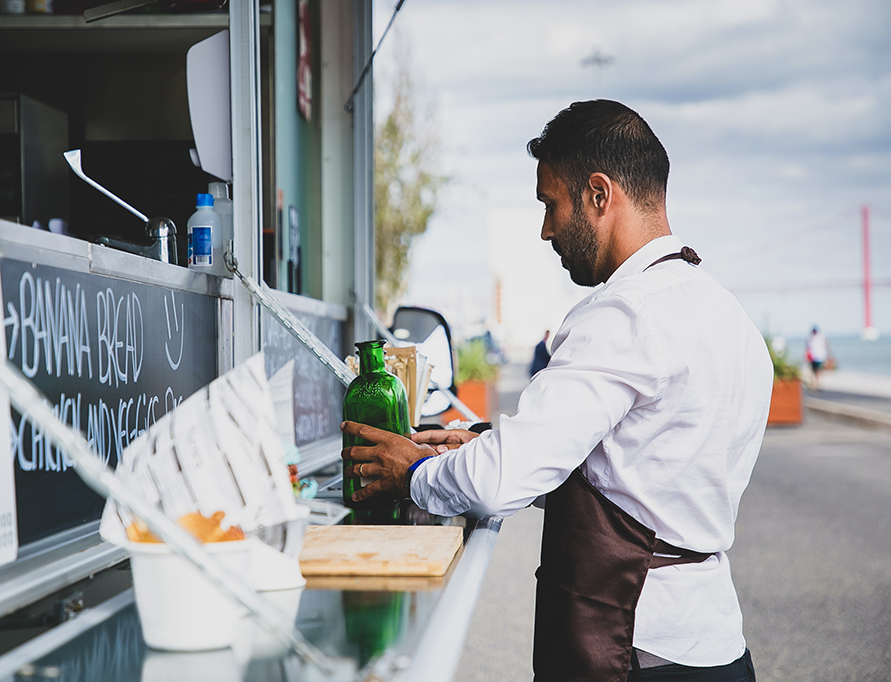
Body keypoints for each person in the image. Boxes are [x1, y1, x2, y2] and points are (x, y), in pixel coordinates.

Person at [341, 100, 772, 682]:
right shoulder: (727, 317)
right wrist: (475, 441)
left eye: (550, 204)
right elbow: (635, 472)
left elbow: (503, 479)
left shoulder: (623, 314)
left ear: (599, 194)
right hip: (716, 648)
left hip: (632, 650)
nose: (545, 230)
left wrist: (411, 472)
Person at [806, 326, 831, 391]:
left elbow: (826, 344)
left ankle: (818, 384)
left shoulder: (821, 336)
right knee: (814, 371)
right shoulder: (810, 338)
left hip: (820, 356)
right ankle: (815, 384)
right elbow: (808, 348)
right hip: (814, 357)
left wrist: (829, 354)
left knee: (819, 371)